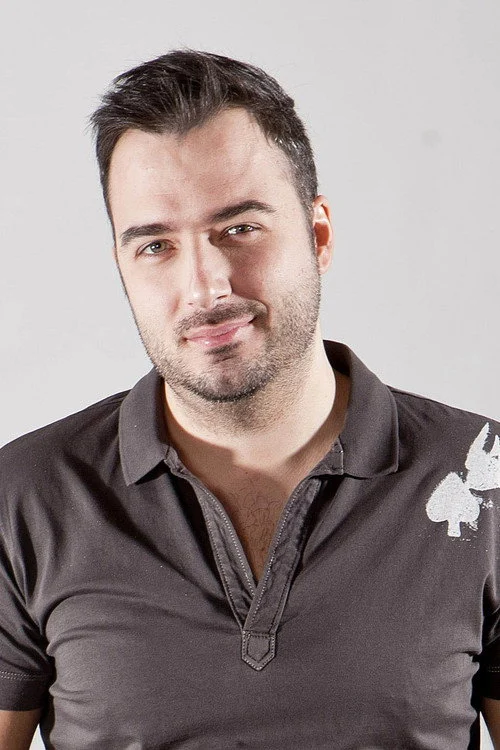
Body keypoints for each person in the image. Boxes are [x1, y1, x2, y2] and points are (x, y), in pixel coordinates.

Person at [0, 50, 499, 750]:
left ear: (318, 235)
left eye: (239, 229)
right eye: (155, 246)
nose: (205, 286)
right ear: (122, 264)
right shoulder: (24, 498)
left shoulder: (484, 480)